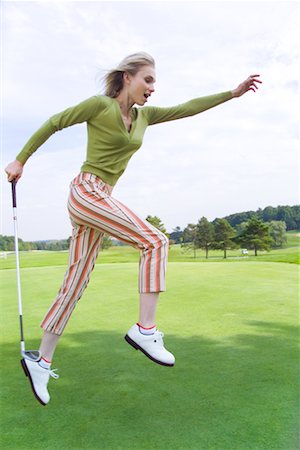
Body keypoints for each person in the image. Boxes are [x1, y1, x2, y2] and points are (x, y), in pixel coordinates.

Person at [5, 52, 262, 406]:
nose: (153, 88)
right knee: (155, 241)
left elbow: (187, 107)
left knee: (75, 284)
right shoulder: (100, 106)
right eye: (148, 80)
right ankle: (145, 330)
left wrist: (231, 94)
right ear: (128, 77)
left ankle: (41, 361)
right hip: (85, 191)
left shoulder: (144, 116)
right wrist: (21, 159)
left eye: (155, 82)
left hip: (101, 197)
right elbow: (54, 122)